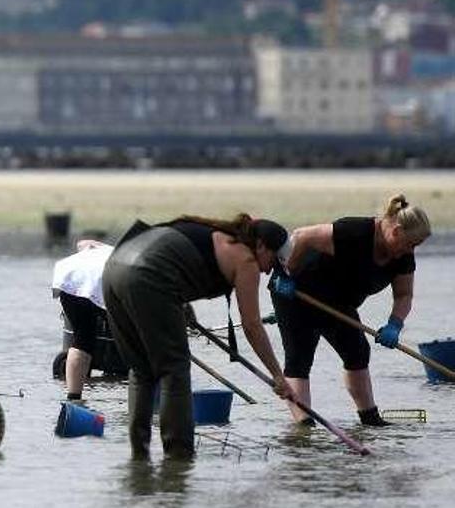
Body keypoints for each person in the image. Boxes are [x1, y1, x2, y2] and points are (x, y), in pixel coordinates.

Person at [102, 214, 291, 460]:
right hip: (147, 277)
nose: (269, 270)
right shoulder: (246, 260)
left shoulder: (215, 231)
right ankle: (179, 459)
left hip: (114, 268)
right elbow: (252, 326)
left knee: (141, 369)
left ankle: (139, 456)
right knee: (175, 370)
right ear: (261, 246)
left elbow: (171, 258)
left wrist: (179, 306)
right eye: (273, 261)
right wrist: (278, 375)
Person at [269, 194, 430, 427]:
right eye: (411, 244)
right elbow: (302, 236)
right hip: (296, 292)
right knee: (299, 357)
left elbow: (404, 295)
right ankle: (304, 426)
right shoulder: (354, 232)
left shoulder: (402, 256)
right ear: (396, 232)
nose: (411, 251)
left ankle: (370, 419)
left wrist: (395, 324)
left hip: (338, 301)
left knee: (357, 352)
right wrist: (289, 273)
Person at [51, 239, 116, 401]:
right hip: (94, 281)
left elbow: (82, 243)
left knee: (82, 338)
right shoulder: (138, 264)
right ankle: (148, 396)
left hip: (68, 276)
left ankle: (73, 399)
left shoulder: (109, 249)